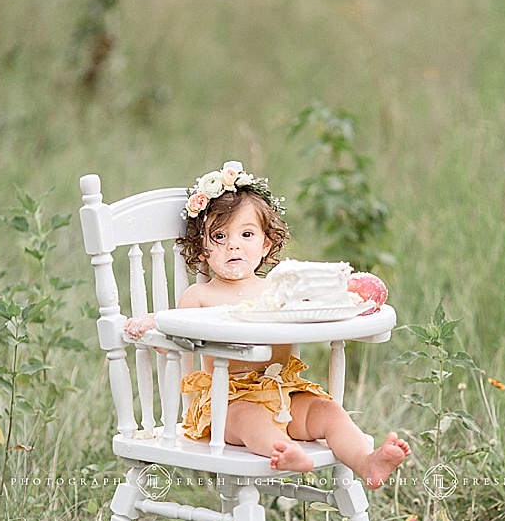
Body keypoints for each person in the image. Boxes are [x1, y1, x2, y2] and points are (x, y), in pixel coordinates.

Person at [122, 162, 409, 486]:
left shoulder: (279, 290)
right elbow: (176, 338)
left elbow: (312, 312)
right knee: (251, 417)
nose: (234, 244)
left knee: (328, 411)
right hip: (227, 404)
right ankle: (282, 449)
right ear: (202, 248)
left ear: (266, 243)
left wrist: (345, 300)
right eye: (220, 236)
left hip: (285, 392)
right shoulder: (199, 296)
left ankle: (367, 462)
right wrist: (155, 324)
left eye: (246, 234)